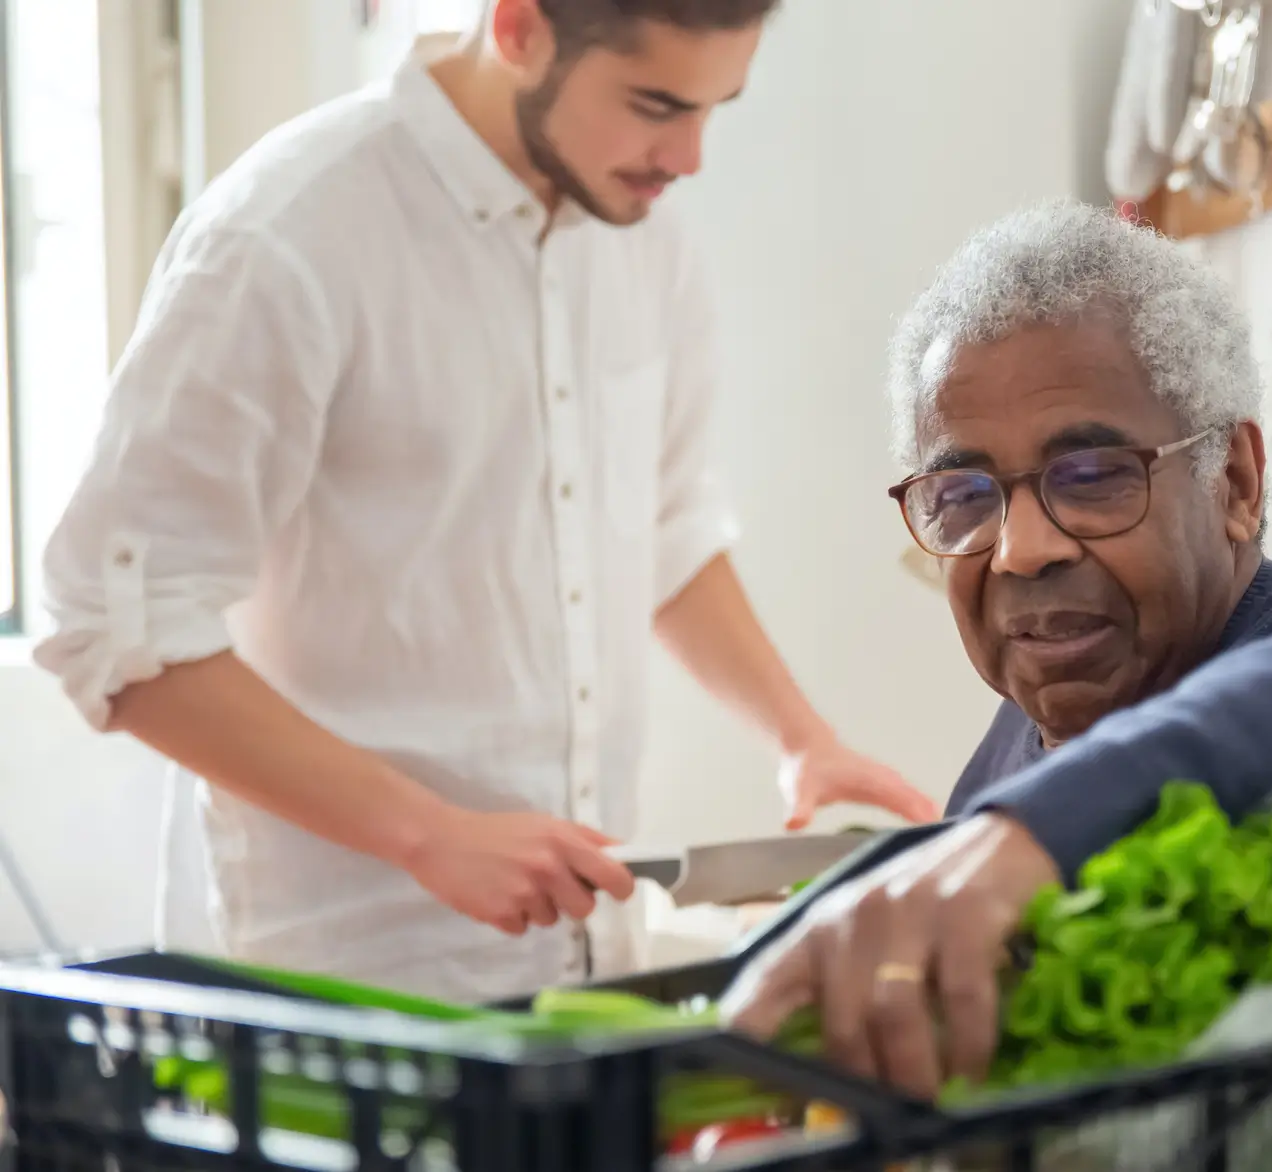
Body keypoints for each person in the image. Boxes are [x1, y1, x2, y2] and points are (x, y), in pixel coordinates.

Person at [33, 0, 936, 1002]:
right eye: (654, 104)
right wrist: (430, 832)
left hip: (587, 962)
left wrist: (801, 739)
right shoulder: (283, 235)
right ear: (518, 29)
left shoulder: (642, 231)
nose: (687, 157)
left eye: (714, 109)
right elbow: (115, 629)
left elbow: (665, 524)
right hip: (335, 983)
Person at [722, 200, 1272, 1096]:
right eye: (964, 496)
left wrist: (1042, 832)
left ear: (1234, 481)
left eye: (1092, 477)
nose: (1022, 548)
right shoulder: (1010, 755)